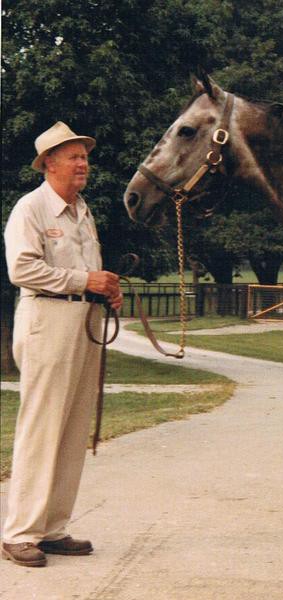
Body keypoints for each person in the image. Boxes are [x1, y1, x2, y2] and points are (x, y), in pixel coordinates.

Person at [2, 122, 123, 567]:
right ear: (48, 163)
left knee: (72, 427)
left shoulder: (82, 211)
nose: (83, 164)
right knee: (42, 426)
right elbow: (22, 270)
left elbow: (88, 268)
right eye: (73, 156)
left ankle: (51, 528)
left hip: (83, 321)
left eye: (85, 157)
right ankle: (18, 532)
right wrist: (82, 280)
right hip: (46, 321)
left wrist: (105, 288)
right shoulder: (30, 209)